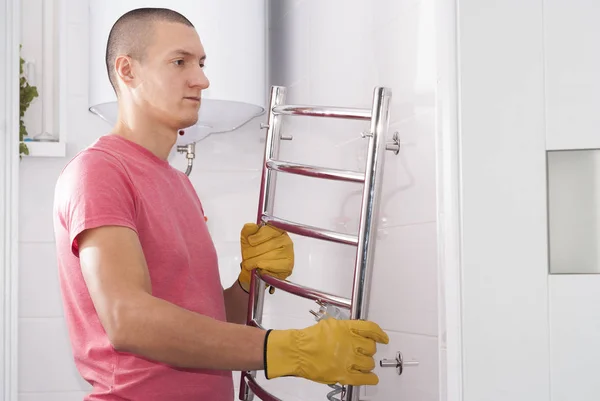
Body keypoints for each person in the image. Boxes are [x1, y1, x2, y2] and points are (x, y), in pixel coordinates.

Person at [52, 7, 389, 401]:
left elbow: (207, 325)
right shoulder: (99, 172)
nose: (202, 79)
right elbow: (129, 321)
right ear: (127, 71)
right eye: (179, 62)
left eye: (201, 63)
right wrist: (289, 349)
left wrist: (246, 283)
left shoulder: (179, 183)